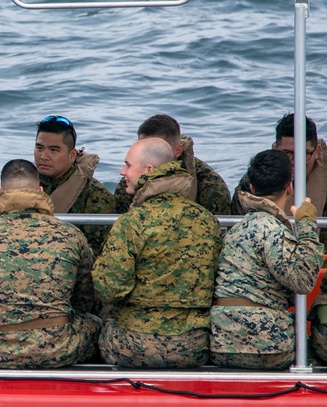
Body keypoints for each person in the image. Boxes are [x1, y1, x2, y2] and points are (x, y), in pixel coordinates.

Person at [0, 160, 100, 368]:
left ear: (0, 191)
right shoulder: (71, 234)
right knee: (96, 324)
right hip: (61, 348)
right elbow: (84, 301)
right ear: (40, 191)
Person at [94, 138, 221, 368]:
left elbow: (109, 288)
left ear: (148, 170)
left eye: (128, 165)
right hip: (194, 346)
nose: (123, 172)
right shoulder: (207, 221)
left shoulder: (132, 222)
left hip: (134, 346)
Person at [211, 150, 323, 370]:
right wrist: (307, 224)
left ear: (251, 188)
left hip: (221, 345)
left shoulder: (233, 231)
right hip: (268, 347)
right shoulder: (273, 230)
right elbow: (302, 281)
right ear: (289, 187)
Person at [115, 115, 231, 216]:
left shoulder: (211, 186)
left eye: (158, 148)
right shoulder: (130, 180)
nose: (150, 153)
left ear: (178, 150)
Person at [33, 115, 114, 256]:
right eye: (39, 148)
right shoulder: (25, 185)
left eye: (54, 150)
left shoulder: (95, 195)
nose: (43, 156)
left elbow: (100, 253)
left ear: (72, 155)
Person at [232, 114, 327, 223]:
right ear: (275, 149)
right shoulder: (255, 179)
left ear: (317, 152)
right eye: (287, 153)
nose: (296, 161)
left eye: (304, 154)